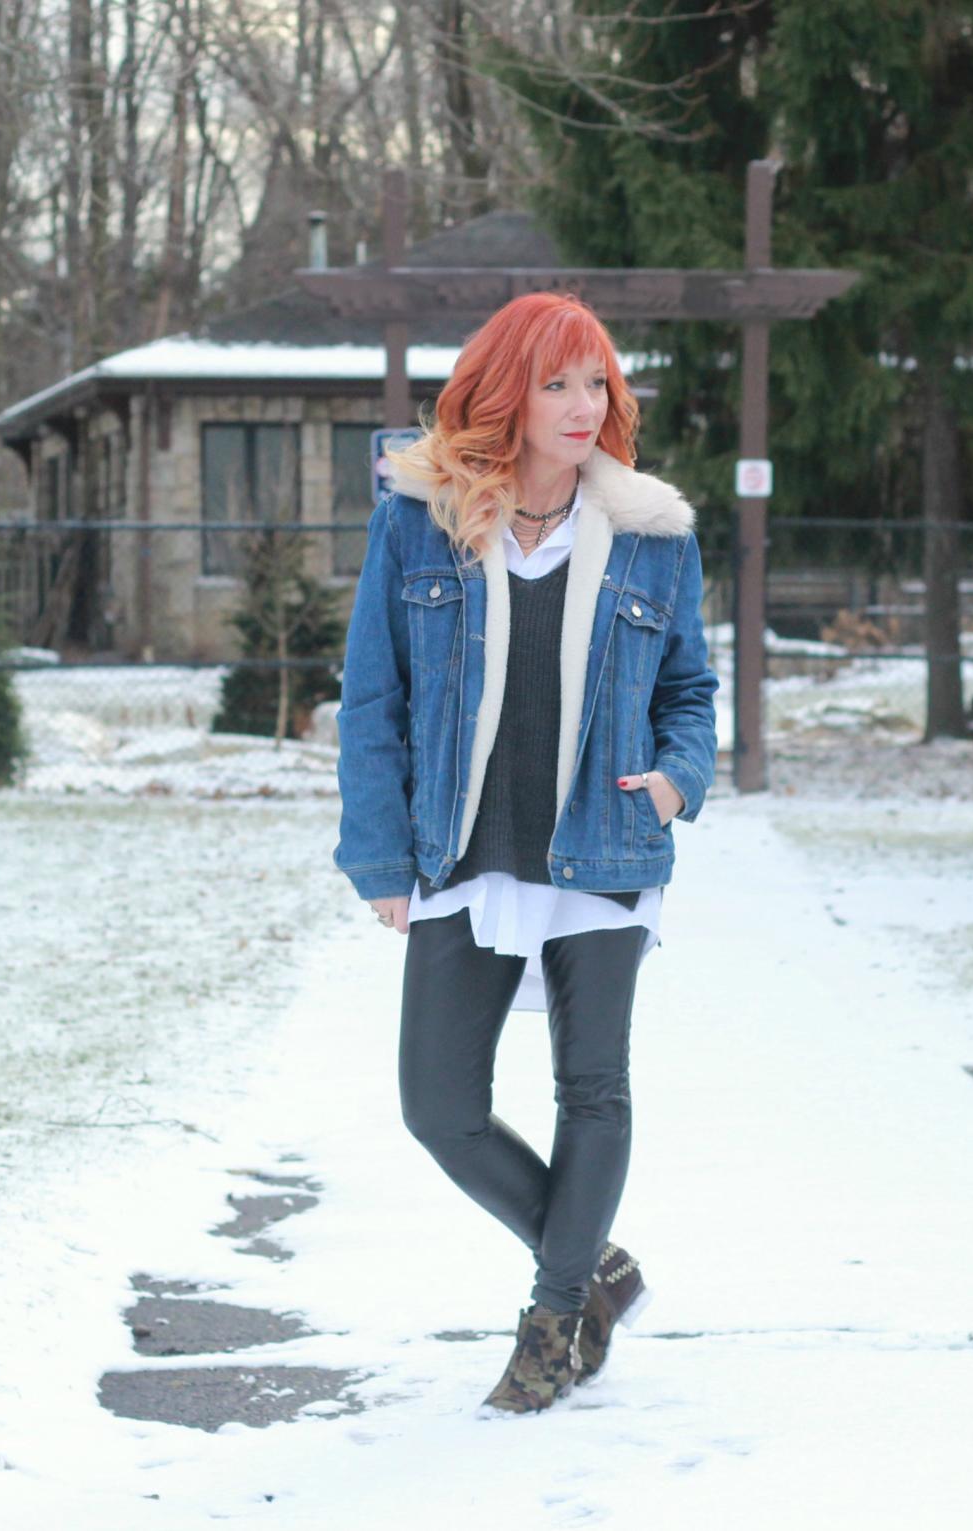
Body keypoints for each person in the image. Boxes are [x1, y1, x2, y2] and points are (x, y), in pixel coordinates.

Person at [332, 291, 719, 1416]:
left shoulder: (652, 532)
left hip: (606, 843)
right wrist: (381, 858)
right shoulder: (422, 519)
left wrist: (676, 778)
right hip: (462, 848)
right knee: (436, 1104)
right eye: (556, 382)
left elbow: (691, 690)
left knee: (592, 1088)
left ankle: (553, 1325)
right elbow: (374, 697)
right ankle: (595, 1261)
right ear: (505, 392)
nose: (582, 405)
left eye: (595, 381)